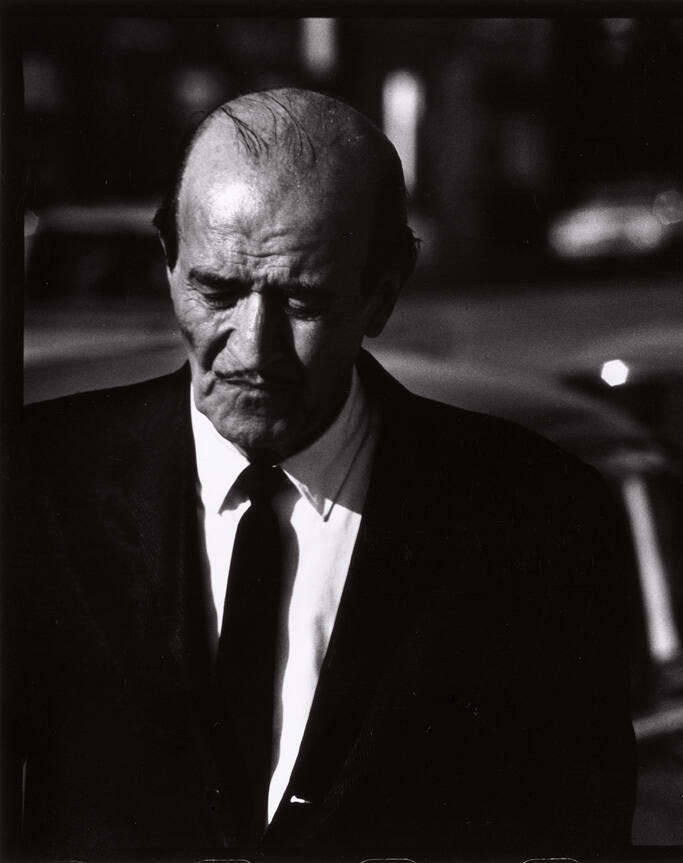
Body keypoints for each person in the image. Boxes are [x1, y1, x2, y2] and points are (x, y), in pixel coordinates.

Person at [4, 88, 636, 856]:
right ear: (168, 264)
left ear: (383, 294)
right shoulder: (37, 482)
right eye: (217, 290)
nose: (253, 348)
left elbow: (576, 829)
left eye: (302, 301)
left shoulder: (538, 521)